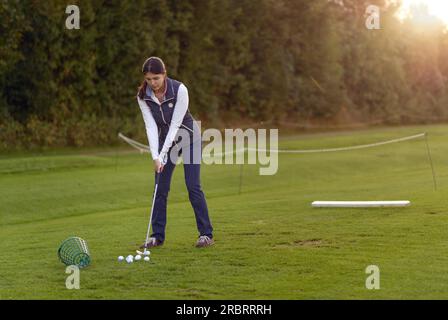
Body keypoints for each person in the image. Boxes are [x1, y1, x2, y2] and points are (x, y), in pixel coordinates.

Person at [136, 57, 214, 248]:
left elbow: (175, 125)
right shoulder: (143, 96)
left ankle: (206, 234)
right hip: (165, 142)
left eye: (156, 78)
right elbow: (151, 127)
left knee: (193, 186)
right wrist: (156, 157)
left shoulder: (180, 90)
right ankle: (157, 236)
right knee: (160, 189)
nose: (152, 83)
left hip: (189, 139)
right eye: (148, 79)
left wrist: (161, 155)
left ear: (164, 74)